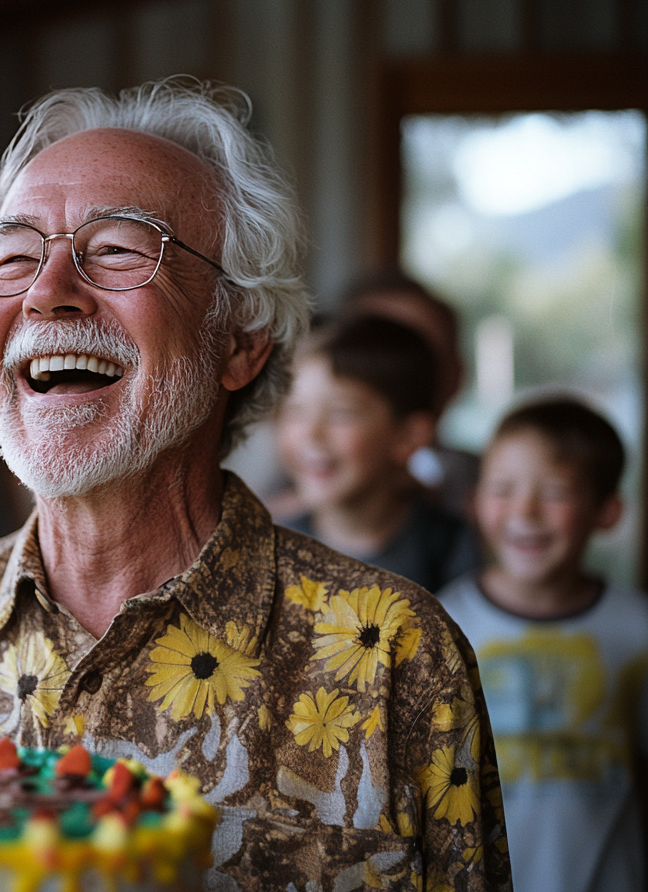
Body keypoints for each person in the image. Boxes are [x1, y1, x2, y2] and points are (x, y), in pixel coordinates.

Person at [0, 79, 511, 890]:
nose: (48, 294)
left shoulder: (400, 656)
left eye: (118, 249)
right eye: (14, 258)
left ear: (239, 343)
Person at [439, 397, 645, 892]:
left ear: (608, 511)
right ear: (475, 500)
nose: (525, 511)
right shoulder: (442, 625)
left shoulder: (637, 630)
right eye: (503, 489)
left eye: (555, 492)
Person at [276, 314, 482, 592]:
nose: (311, 434)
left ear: (407, 437)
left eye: (340, 413)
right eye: (295, 411)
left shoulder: (450, 549)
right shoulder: (272, 549)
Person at [342, 267, 479, 518]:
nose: (399, 374)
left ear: (456, 376)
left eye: (424, 358)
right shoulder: (279, 502)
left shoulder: (488, 488)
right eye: (375, 356)